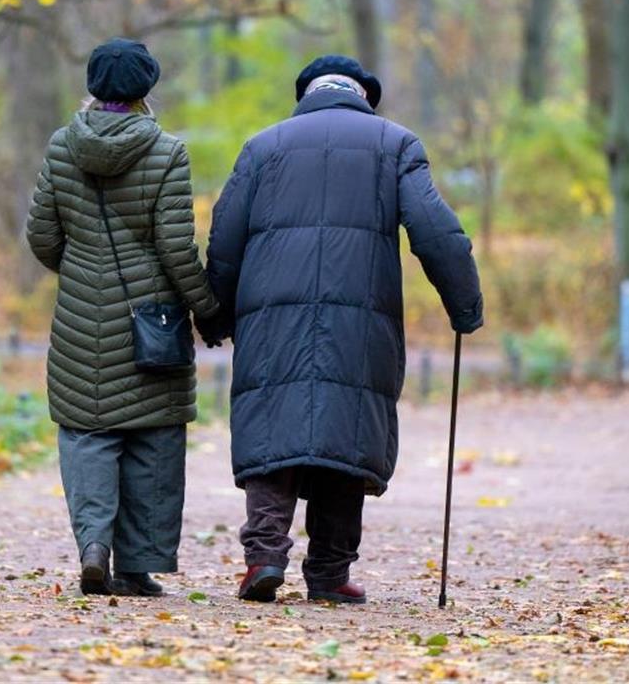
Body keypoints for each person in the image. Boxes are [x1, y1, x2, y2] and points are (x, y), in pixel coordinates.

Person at [197, 55, 483, 604]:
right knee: (345, 429)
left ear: (304, 95)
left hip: (271, 318)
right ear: (364, 96)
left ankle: (263, 556)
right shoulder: (395, 143)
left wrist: (215, 314)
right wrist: (464, 304)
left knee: (272, 425)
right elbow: (438, 232)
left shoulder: (263, 146)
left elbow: (225, 237)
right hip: (362, 317)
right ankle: (328, 573)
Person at [26, 38, 220, 597]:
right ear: (146, 91)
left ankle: (93, 548)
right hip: (151, 323)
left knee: (88, 432)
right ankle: (137, 568)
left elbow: (42, 236)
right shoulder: (166, 152)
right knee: (152, 439)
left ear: (93, 88)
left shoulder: (62, 147)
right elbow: (176, 249)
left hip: (80, 320)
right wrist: (206, 310)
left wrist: (83, 272)